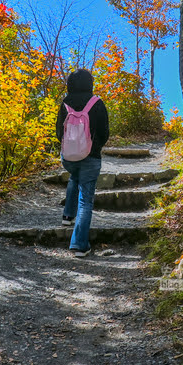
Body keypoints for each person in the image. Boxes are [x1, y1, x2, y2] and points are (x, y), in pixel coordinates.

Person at [55, 69, 109, 257]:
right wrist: (94, 147)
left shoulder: (65, 103)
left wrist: (70, 147)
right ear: (89, 82)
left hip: (69, 157)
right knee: (86, 199)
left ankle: (67, 216)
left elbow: (59, 132)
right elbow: (104, 132)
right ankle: (79, 244)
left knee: (74, 176)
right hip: (90, 156)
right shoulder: (97, 102)